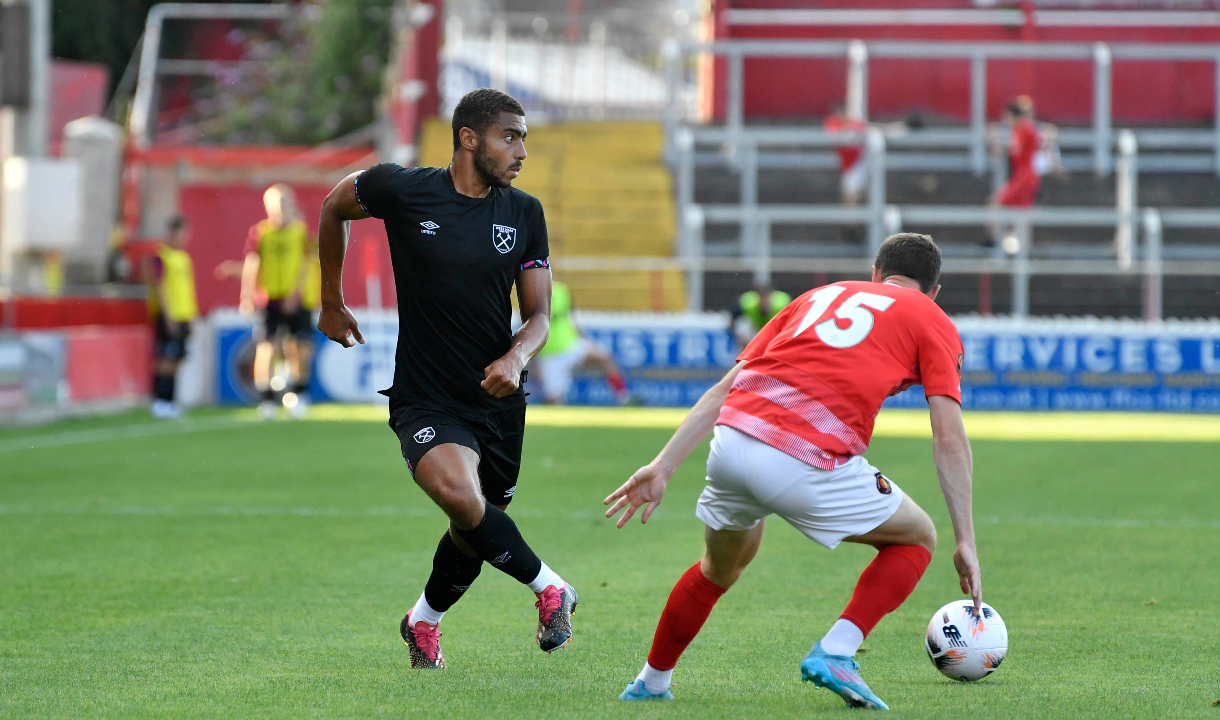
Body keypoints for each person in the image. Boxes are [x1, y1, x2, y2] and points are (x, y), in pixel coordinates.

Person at [606, 233, 981, 710]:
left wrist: (663, 465)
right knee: (918, 538)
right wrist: (965, 539)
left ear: (875, 274)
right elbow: (948, 435)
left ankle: (650, 681)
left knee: (719, 568)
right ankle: (837, 652)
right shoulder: (932, 317)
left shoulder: (814, 297)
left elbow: (727, 386)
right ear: (933, 292)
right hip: (800, 456)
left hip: (732, 442)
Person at [315, 88, 577, 670]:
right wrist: (330, 300)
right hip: (425, 396)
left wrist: (516, 358)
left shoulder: (523, 213)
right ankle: (551, 588)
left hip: (498, 398)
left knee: (473, 526)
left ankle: (422, 622)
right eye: (510, 137)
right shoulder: (404, 190)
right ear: (468, 138)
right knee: (462, 497)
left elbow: (538, 317)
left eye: (524, 138)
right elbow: (334, 205)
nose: (522, 151)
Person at [240, 184, 314, 419]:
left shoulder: (300, 231)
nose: (280, 208)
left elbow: (306, 264)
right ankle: (266, 398)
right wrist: (247, 294)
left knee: (300, 347)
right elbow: (252, 263)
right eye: (276, 204)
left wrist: (297, 292)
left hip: (296, 298)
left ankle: (297, 393)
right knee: (266, 346)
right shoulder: (260, 232)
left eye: (284, 203)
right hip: (269, 297)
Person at [535, 280, 630, 404]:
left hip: (571, 344)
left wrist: (582, 337)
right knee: (554, 400)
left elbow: (570, 317)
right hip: (550, 354)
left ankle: (624, 397)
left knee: (605, 358)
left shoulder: (561, 290)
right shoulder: (531, 296)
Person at [147, 216, 199, 419]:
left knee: (177, 359)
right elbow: (159, 286)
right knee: (165, 359)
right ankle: (159, 401)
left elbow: (188, 290)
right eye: (179, 233)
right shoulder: (161, 256)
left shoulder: (185, 258)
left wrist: (192, 317)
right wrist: (167, 314)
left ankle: (170, 401)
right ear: (171, 233)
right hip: (169, 315)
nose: (182, 237)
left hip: (184, 314)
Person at [823, 102, 869, 207]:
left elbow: (862, 130)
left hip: (857, 160)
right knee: (850, 192)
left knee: (854, 192)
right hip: (846, 161)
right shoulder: (833, 123)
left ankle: (854, 218)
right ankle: (851, 218)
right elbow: (831, 134)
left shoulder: (855, 123)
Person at [731, 284, 791, 348]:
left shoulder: (781, 303)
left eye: (766, 297)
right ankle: (745, 352)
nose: (764, 301)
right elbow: (734, 316)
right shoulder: (748, 302)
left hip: (774, 329)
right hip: (755, 328)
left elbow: (794, 317)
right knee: (742, 326)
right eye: (762, 297)